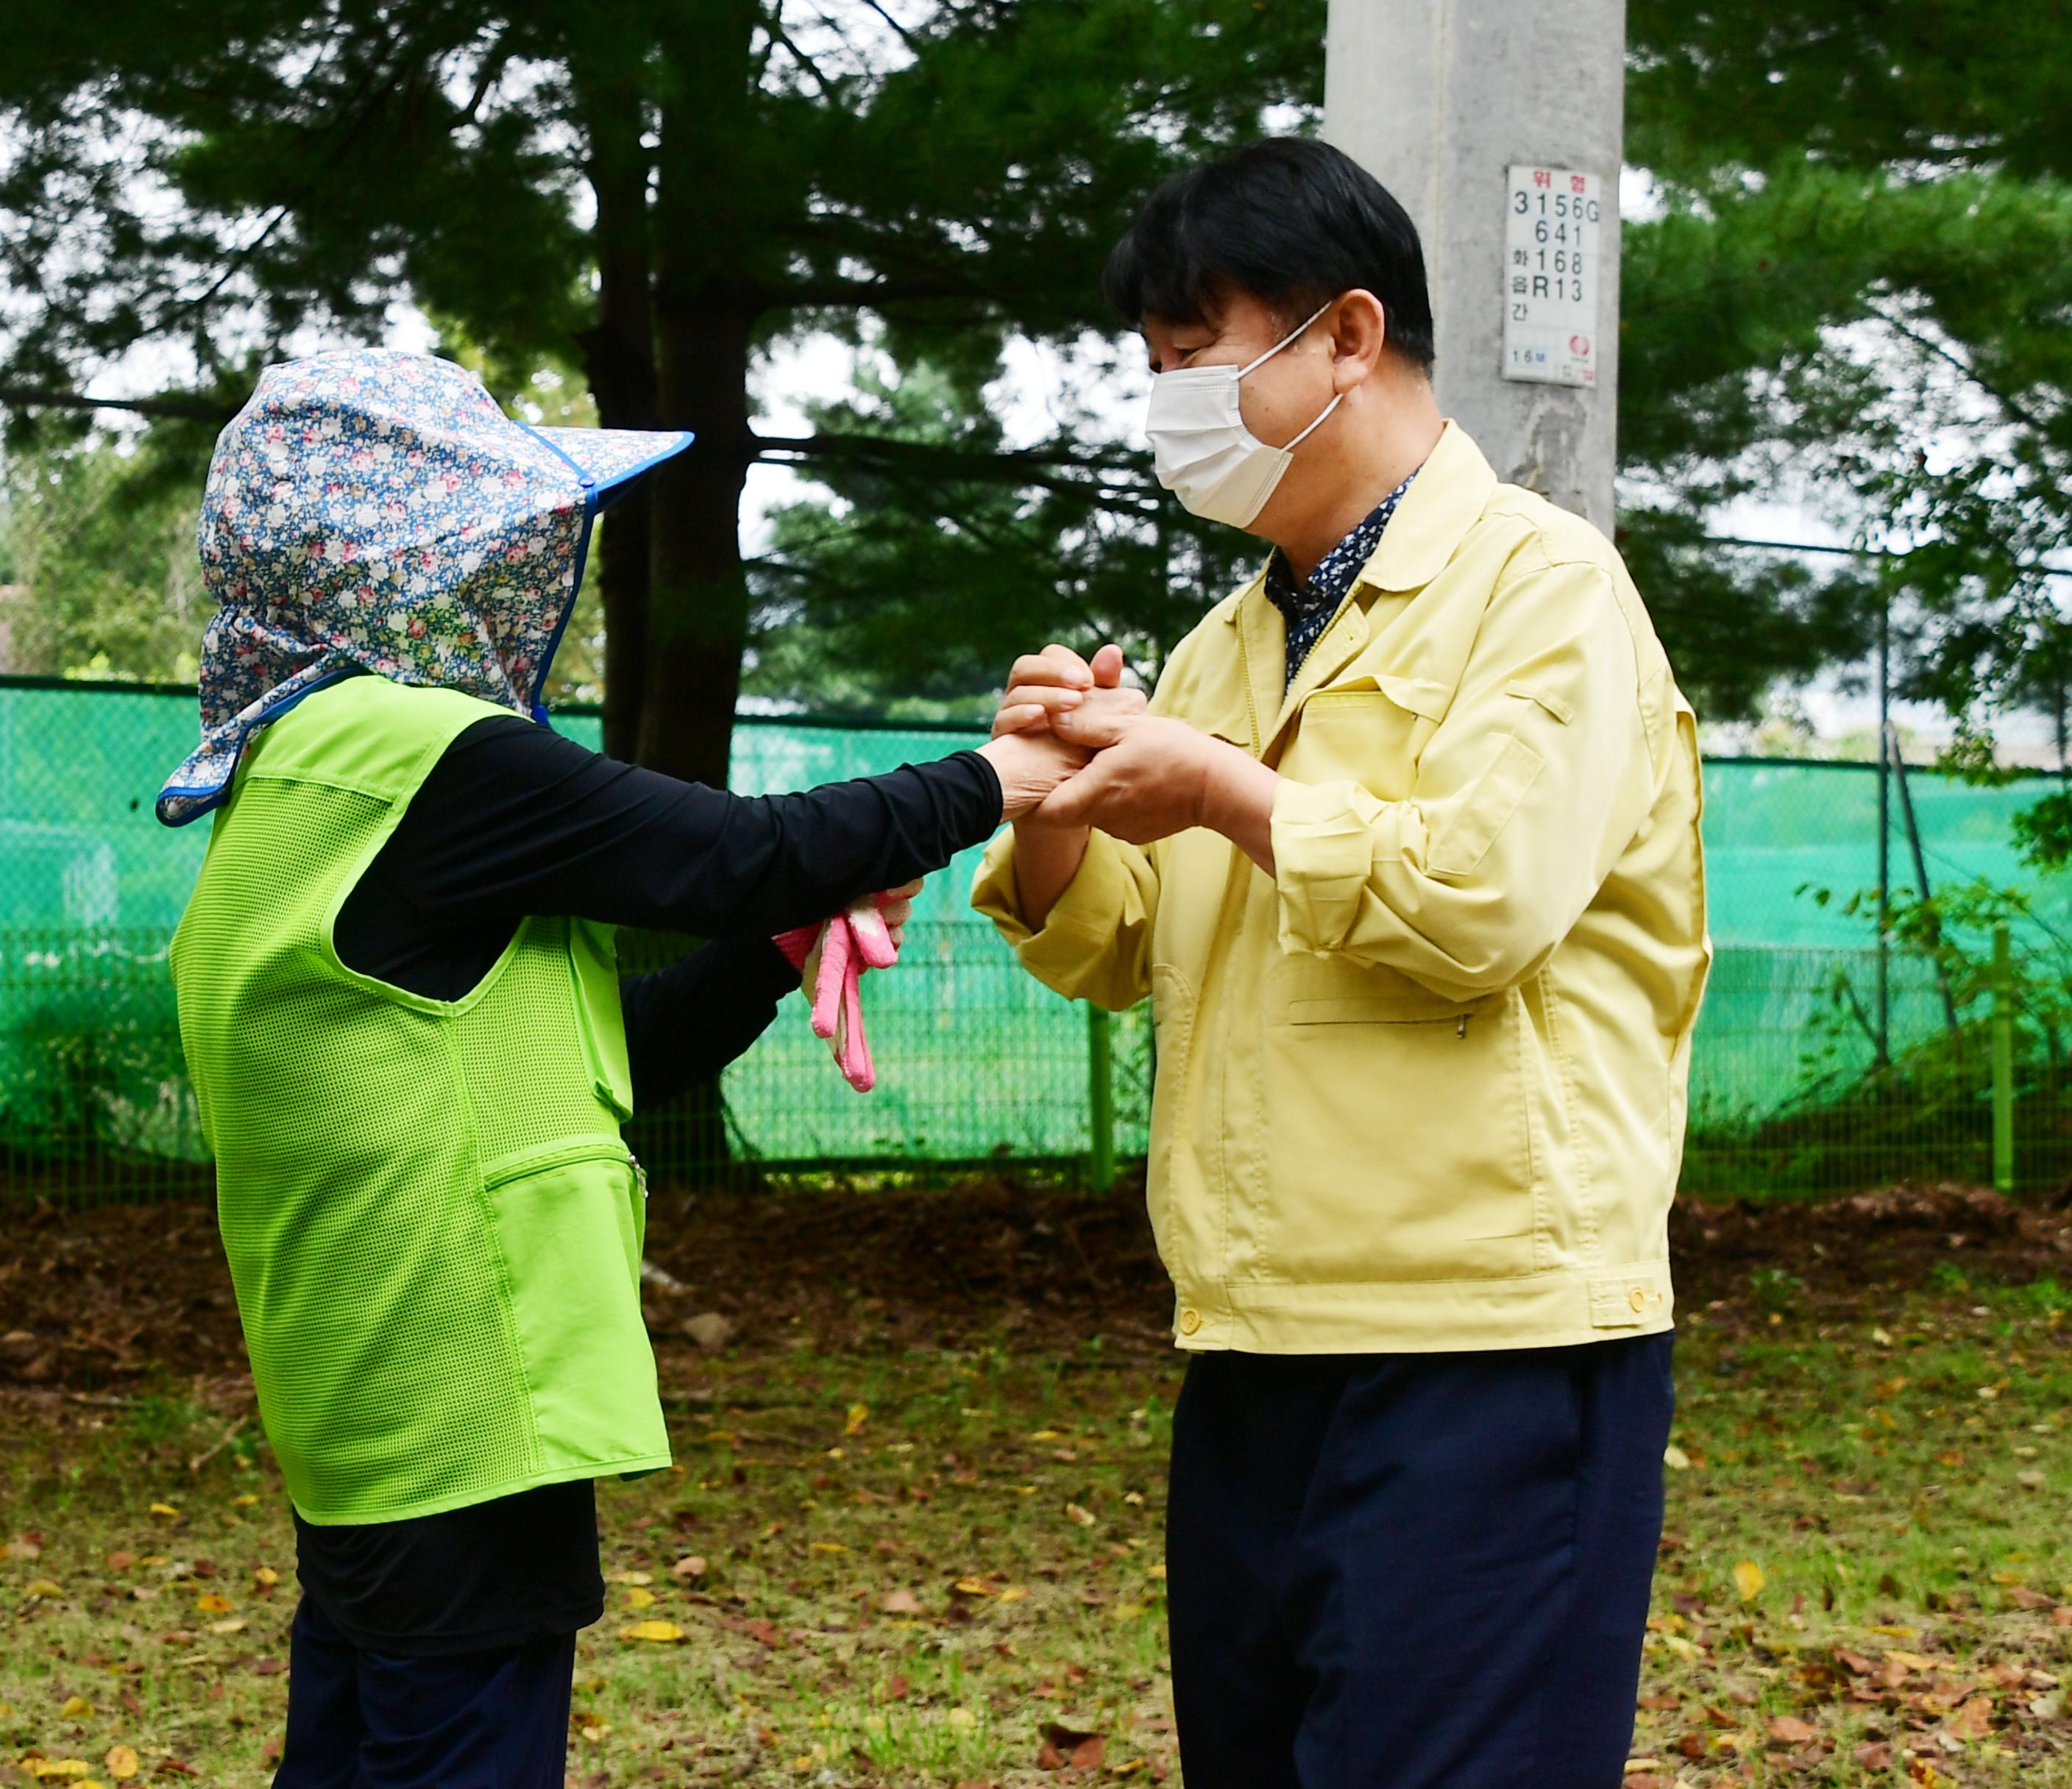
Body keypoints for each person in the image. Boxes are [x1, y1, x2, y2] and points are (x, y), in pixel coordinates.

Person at [160, 350, 1084, 1789]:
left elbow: (596, 1060)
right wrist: (992, 783)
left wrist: (777, 950)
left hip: (374, 1424)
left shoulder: (285, 782)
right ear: (400, 561)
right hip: (466, 1408)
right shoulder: (426, 756)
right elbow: (740, 848)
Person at [976, 138, 1709, 1788]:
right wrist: (1054, 807)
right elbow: (1130, 946)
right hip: (1254, 1332)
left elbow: (1482, 903)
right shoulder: (1226, 641)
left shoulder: (1544, 588)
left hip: (1489, 1336)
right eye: (1153, 370)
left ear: (1349, 338)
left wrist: (1222, 786)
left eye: (1198, 359)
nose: (1169, 405)